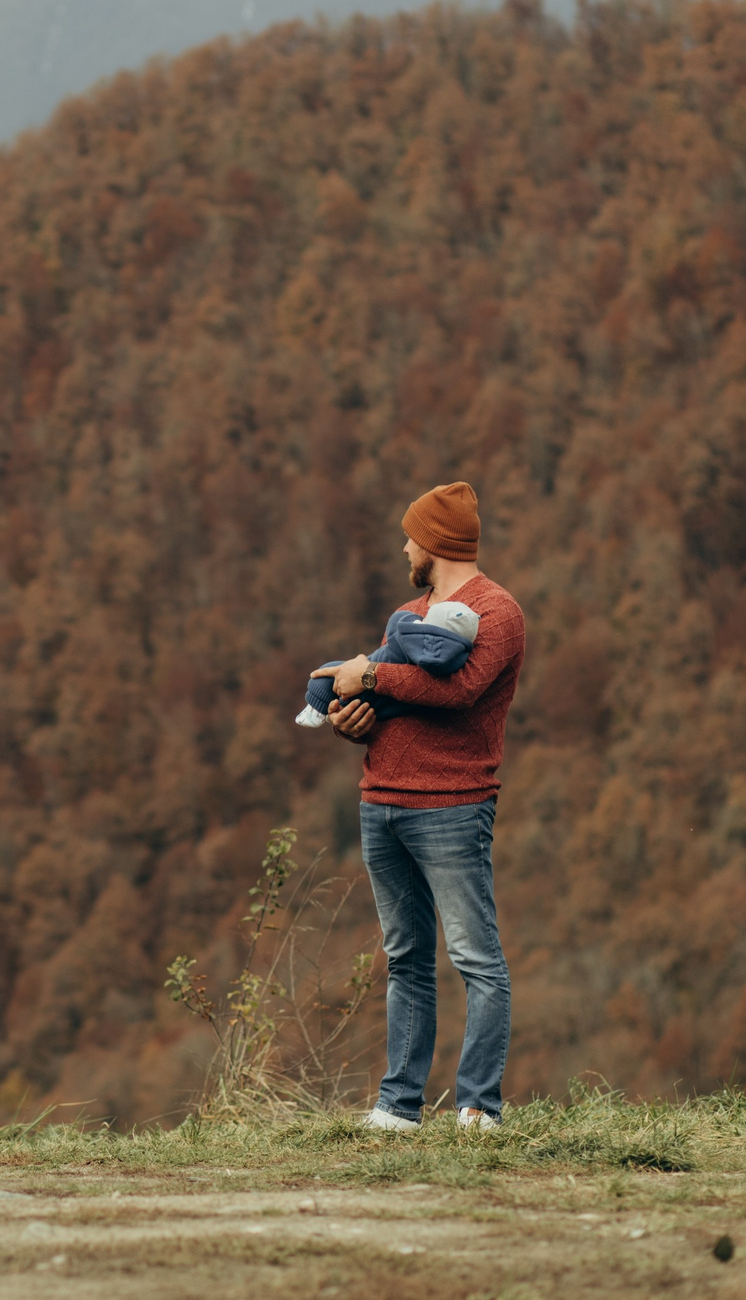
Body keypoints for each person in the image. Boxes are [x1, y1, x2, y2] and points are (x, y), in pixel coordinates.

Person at [310, 481, 525, 1132]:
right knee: (405, 958)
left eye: (410, 536)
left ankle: (476, 1105)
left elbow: (457, 689)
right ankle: (399, 1106)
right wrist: (357, 721)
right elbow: (400, 706)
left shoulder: (498, 612)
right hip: (383, 802)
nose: (404, 546)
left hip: (453, 807)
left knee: (475, 958)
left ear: (434, 543)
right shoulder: (409, 614)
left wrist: (368, 674)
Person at [295, 599, 480, 728]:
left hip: (445, 780)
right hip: (376, 777)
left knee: (325, 675)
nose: (406, 549)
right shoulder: (458, 651)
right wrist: (346, 727)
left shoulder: (495, 607)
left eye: (412, 542)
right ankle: (321, 710)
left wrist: (367, 674)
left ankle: (314, 709)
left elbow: (461, 691)